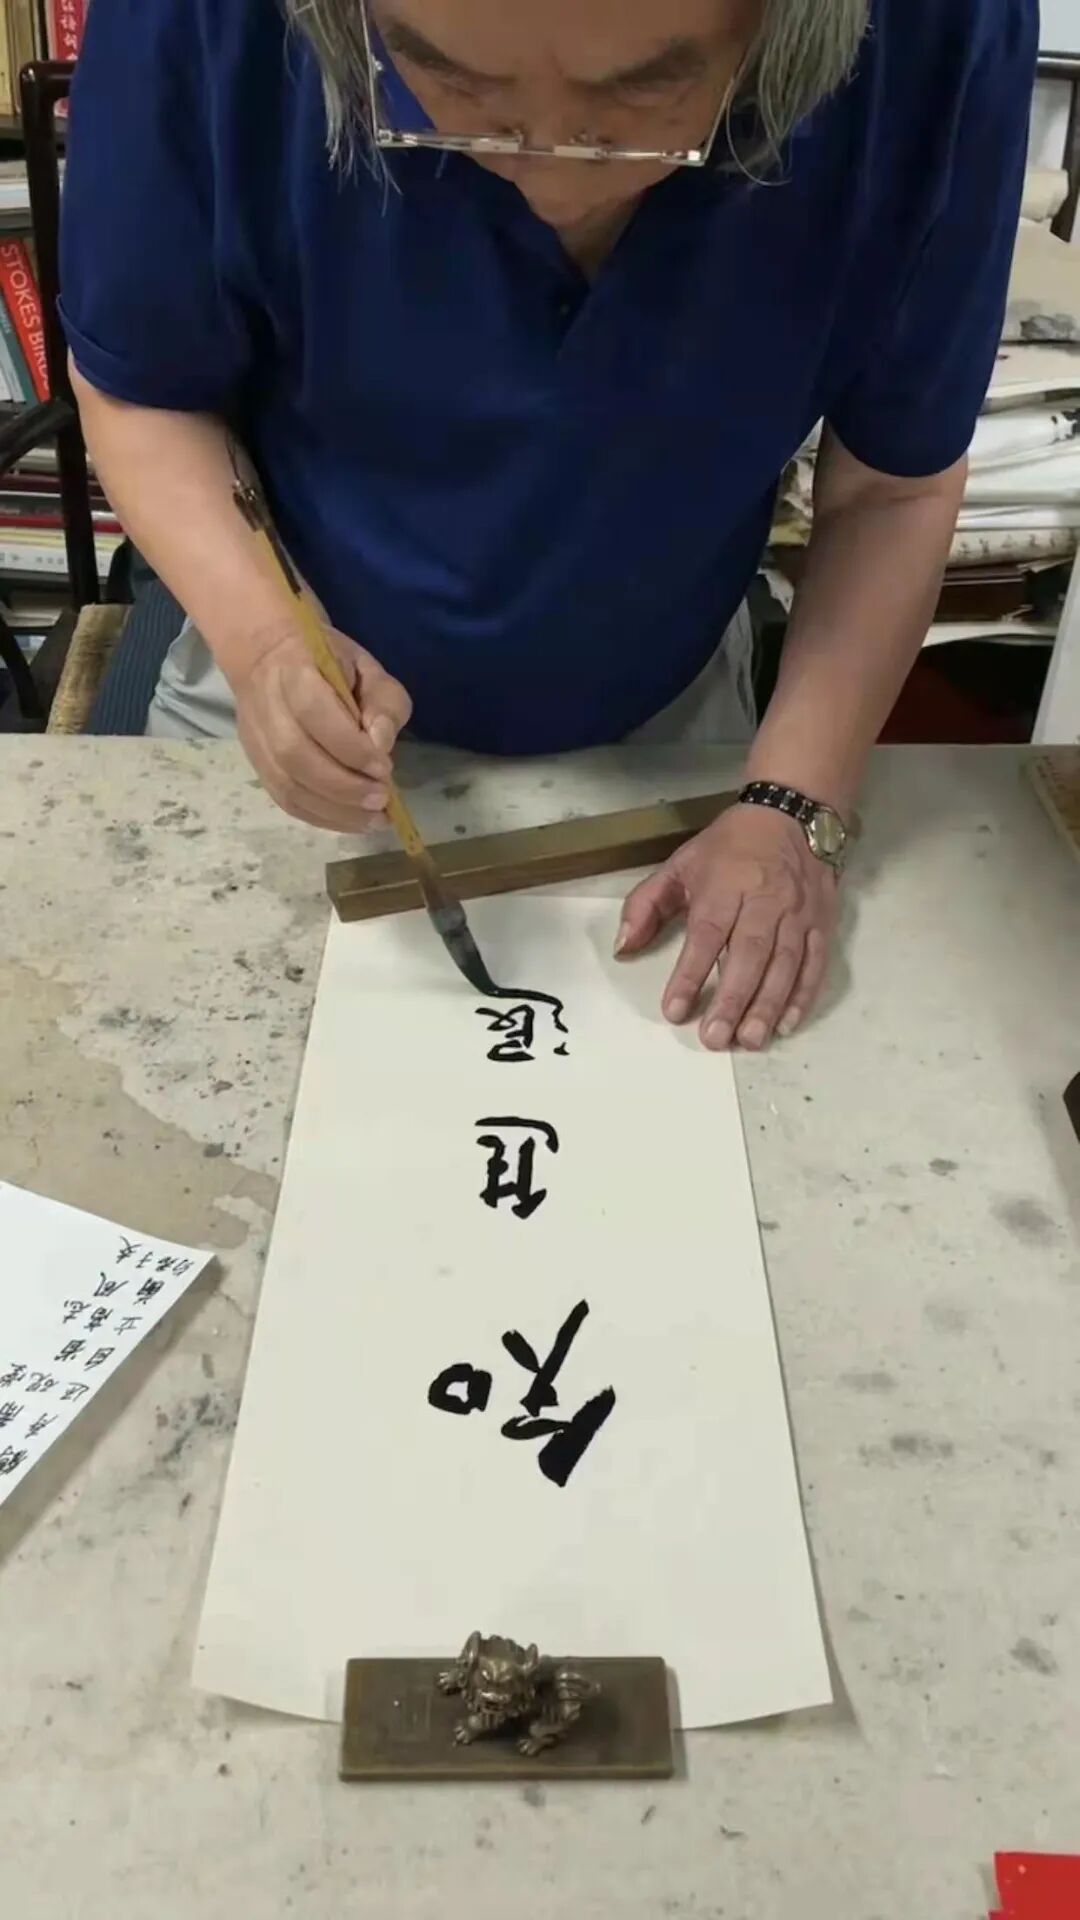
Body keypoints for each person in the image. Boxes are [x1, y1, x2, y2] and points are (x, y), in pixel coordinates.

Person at [61, 0, 1035, 1049]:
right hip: (284, 668)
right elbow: (146, 394)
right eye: (447, 78)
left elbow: (892, 487)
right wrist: (262, 647)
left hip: (669, 708)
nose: (554, 182)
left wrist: (796, 802)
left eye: (647, 88)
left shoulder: (938, 28)